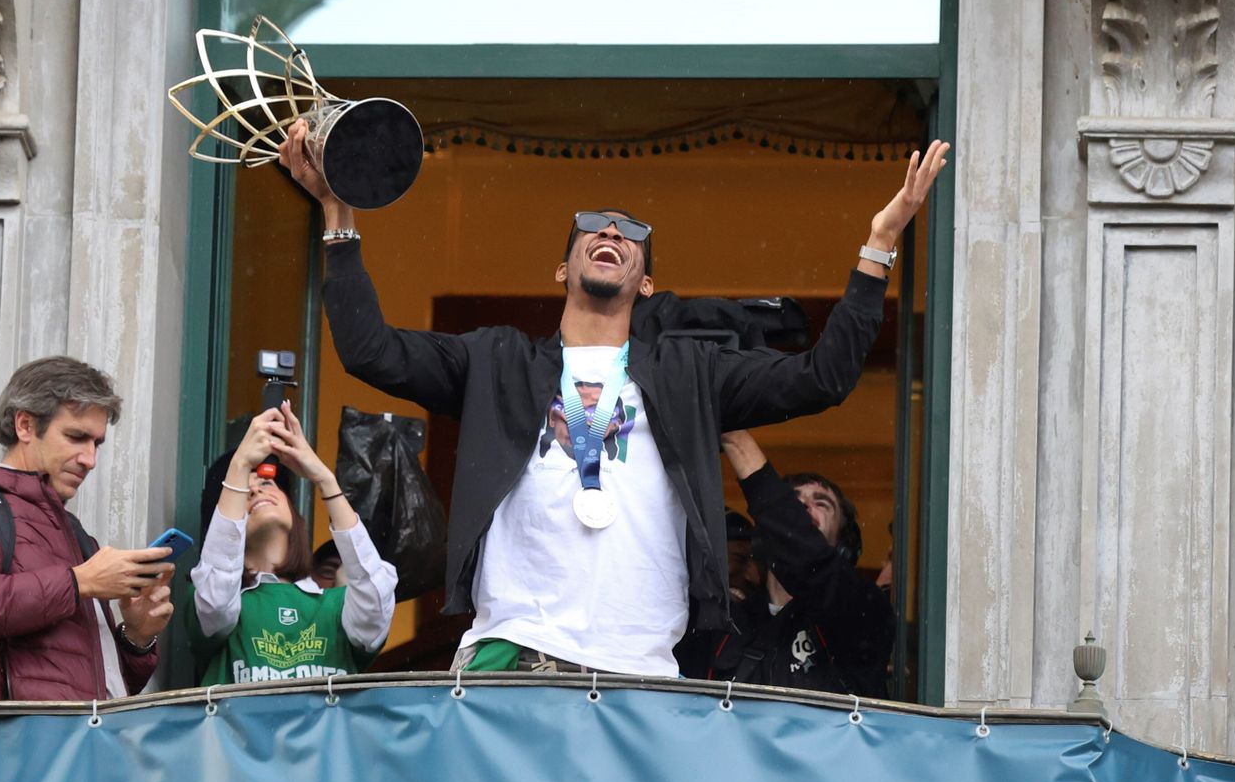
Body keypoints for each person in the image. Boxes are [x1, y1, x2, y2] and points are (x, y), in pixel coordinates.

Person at [278, 122, 947, 676]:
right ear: (563, 269)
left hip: (642, 668)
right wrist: (339, 217)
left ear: (647, 281)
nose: (611, 233)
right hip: (515, 651)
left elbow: (822, 378)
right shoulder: (496, 360)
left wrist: (880, 245)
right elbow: (369, 350)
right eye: (592, 228)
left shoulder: (688, 372)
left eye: (630, 232)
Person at [0, 356, 175, 701]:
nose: (90, 459)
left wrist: (137, 636)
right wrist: (82, 582)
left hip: (88, 743)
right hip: (12, 744)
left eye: (97, 444)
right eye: (77, 437)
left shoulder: (72, 530)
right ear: (25, 426)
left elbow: (89, 683)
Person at [189, 402, 396, 683]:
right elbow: (215, 597)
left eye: (266, 483)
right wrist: (239, 466)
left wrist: (324, 479)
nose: (254, 490)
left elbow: (376, 592)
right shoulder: (223, 605)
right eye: (243, 492)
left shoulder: (339, 605)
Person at [680, 430, 892, 696]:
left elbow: (810, 561)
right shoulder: (724, 624)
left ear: (841, 544)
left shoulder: (862, 610)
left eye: (822, 504)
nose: (802, 508)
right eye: (793, 502)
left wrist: (736, 439)